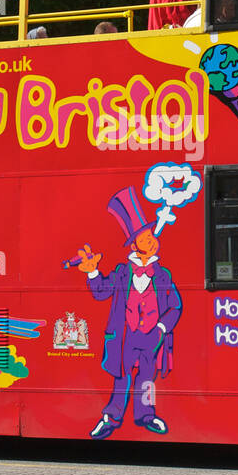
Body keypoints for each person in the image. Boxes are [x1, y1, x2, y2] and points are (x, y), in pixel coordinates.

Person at [74, 187, 181, 439]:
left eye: (151, 238)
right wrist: (91, 271)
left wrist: (161, 329)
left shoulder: (163, 275)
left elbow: (175, 306)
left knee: (146, 376)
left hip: (152, 336)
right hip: (125, 336)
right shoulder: (123, 272)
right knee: (121, 377)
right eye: (145, 239)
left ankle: (146, 415)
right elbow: (101, 292)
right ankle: (111, 418)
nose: (151, 241)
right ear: (134, 245)